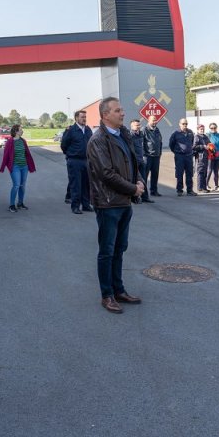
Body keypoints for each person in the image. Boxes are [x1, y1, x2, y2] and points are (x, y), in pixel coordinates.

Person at [86, 97, 144, 314]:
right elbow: (106, 173)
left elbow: (133, 162)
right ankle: (107, 295)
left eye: (122, 109)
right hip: (108, 203)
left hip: (124, 201)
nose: (123, 113)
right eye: (118, 110)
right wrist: (133, 189)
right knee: (107, 251)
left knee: (120, 249)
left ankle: (119, 290)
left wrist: (139, 181)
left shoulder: (123, 134)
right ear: (105, 115)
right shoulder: (98, 140)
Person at [0, 124, 37, 212]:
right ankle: (12, 205)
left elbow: (27, 153)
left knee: (22, 185)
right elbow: (6, 155)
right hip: (15, 166)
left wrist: (30, 165)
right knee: (16, 185)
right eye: (20, 130)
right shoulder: (10, 142)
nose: (22, 131)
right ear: (16, 131)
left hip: (24, 166)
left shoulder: (23, 141)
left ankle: (20, 203)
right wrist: (3, 166)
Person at [60, 110, 93, 212]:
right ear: (76, 118)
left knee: (86, 184)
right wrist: (70, 154)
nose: (84, 119)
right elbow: (64, 145)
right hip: (74, 160)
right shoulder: (71, 130)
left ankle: (86, 205)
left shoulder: (88, 130)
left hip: (86, 160)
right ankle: (75, 206)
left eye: (85, 117)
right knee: (76, 185)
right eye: (82, 117)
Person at [169, 118, 196, 196]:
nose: (185, 125)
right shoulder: (176, 133)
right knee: (179, 173)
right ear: (179, 124)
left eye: (186, 124)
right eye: (183, 124)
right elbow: (171, 144)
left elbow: (192, 142)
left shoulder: (190, 132)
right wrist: (176, 152)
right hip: (179, 156)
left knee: (189, 173)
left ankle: (189, 190)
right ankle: (179, 190)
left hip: (189, 156)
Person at [130, 119, 153, 203]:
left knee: (143, 179)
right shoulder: (130, 135)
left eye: (139, 125)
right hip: (134, 161)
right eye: (136, 125)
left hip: (141, 160)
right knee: (135, 180)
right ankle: (136, 198)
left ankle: (145, 197)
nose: (138, 127)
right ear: (132, 126)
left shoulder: (141, 134)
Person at [142, 115, 164, 196]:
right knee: (144, 175)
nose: (155, 122)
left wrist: (160, 153)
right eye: (153, 120)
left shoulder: (157, 130)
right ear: (148, 120)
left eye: (156, 120)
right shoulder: (144, 130)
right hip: (147, 156)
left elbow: (160, 142)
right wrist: (144, 154)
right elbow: (142, 143)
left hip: (156, 156)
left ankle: (154, 191)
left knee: (155, 174)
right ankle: (143, 193)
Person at [206, 122, 219, 191]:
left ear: (216, 128)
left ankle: (216, 186)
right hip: (210, 156)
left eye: (214, 128)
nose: (213, 129)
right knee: (209, 170)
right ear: (210, 128)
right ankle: (206, 185)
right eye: (211, 128)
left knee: (216, 171)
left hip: (218, 156)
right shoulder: (208, 135)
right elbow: (207, 145)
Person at [193, 123, 210, 192]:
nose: (202, 130)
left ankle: (204, 187)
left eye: (203, 129)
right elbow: (194, 147)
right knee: (200, 172)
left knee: (205, 172)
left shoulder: (206, 137)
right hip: (200, 157)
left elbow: (209, 144)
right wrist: (203, 146)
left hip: (206, 156)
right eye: (200, 129)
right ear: (197, 130)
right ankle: (200, 187)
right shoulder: (196, 137)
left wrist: (211, 147)